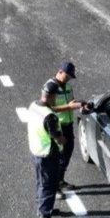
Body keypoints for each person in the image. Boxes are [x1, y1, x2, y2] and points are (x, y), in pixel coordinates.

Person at [28, 89, 67, 218]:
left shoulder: (34, 106)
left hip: (36, 151)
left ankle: (42, 208)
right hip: (48, 154)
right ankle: (44, 216)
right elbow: (57, 137)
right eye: (56, 96)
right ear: (51, 96)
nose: (56, 99)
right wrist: (64, 140)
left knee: (41, 182)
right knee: (48, 185)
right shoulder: (49, 116)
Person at [42, 61, 82, 192]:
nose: (69, 78)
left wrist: (81, 104)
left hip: (68, 124)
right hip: (57, 126)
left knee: (67, 153)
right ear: (60, 72)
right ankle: (55, 187)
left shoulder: (68, 87)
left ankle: (60, 180)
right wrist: (68, 107)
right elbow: (47, 107)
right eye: (67, 75)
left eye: (71, 76)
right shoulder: (50, 87)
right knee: (57, 157)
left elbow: (71, 102)